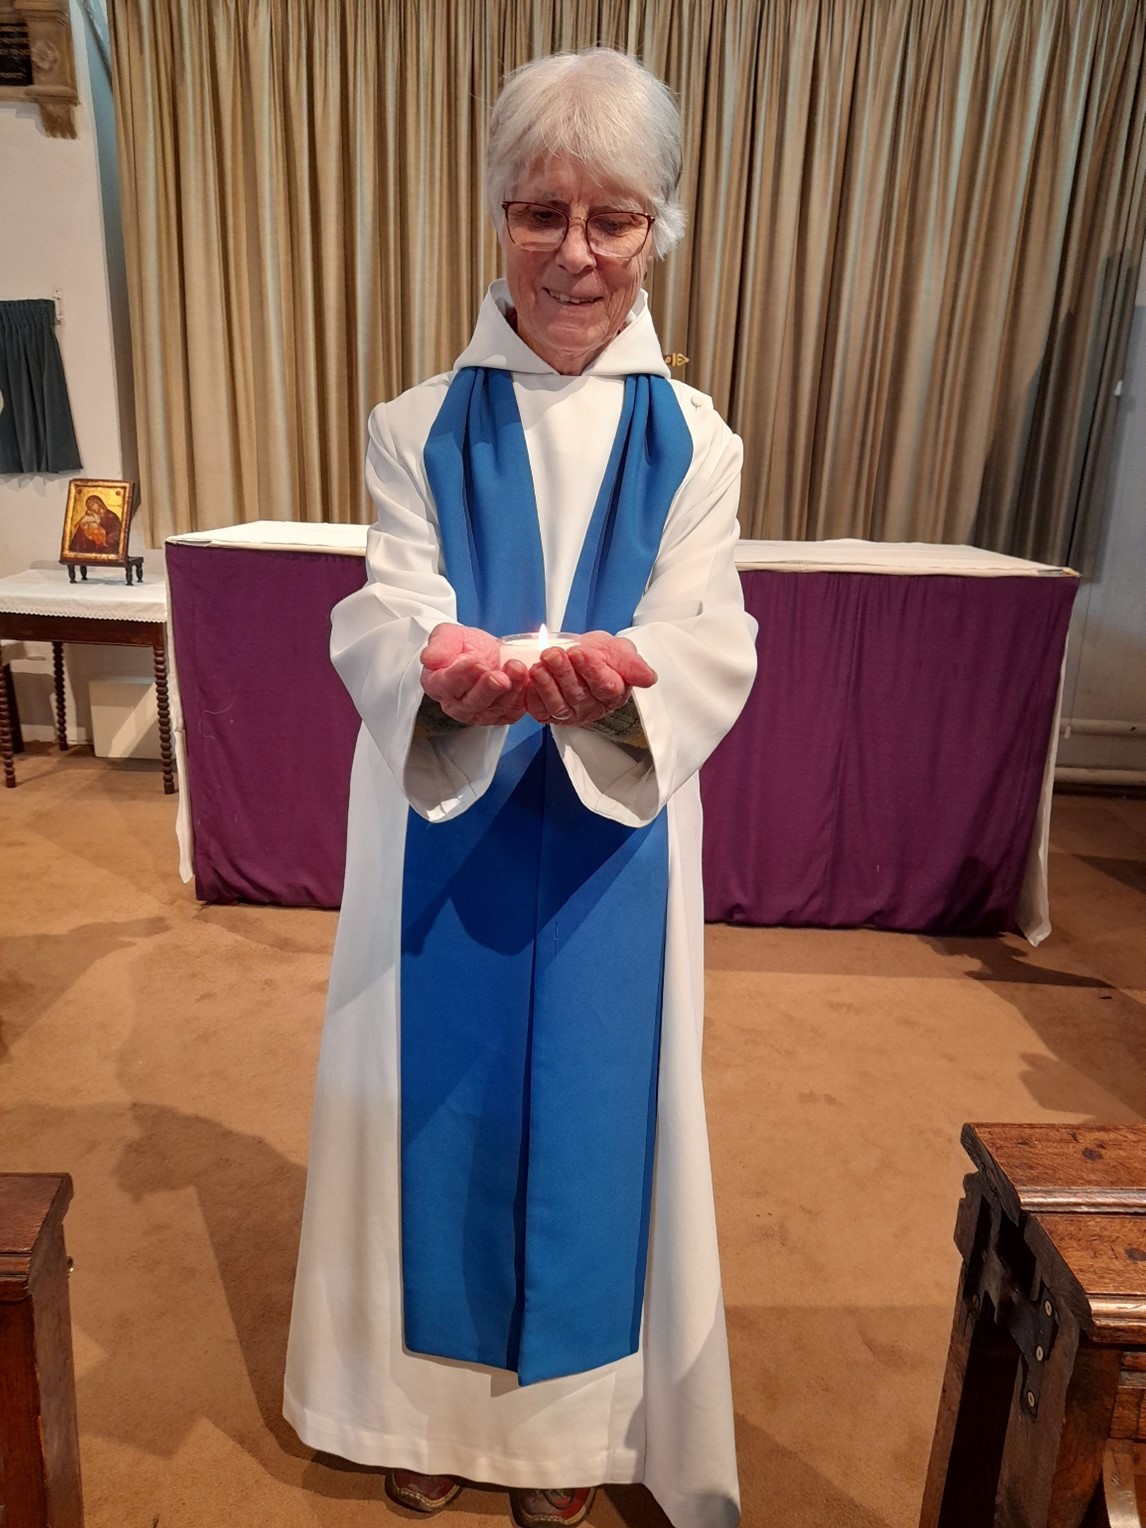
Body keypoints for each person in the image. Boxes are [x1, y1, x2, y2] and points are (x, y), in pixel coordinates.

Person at [284, 48, 758, 1528]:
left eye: (612, 218)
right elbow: (390, 603)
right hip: (449, 815)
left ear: (658, 230)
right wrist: (439, 675)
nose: (573, 253)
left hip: (614, 842)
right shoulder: (414, 424)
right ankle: (423, 1415)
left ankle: (561, 1442)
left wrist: (624, 690)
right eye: (539, 211)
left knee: (595, 1124)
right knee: (433, 1113)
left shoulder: (698, 442)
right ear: (496, 216)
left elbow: (707, 634)